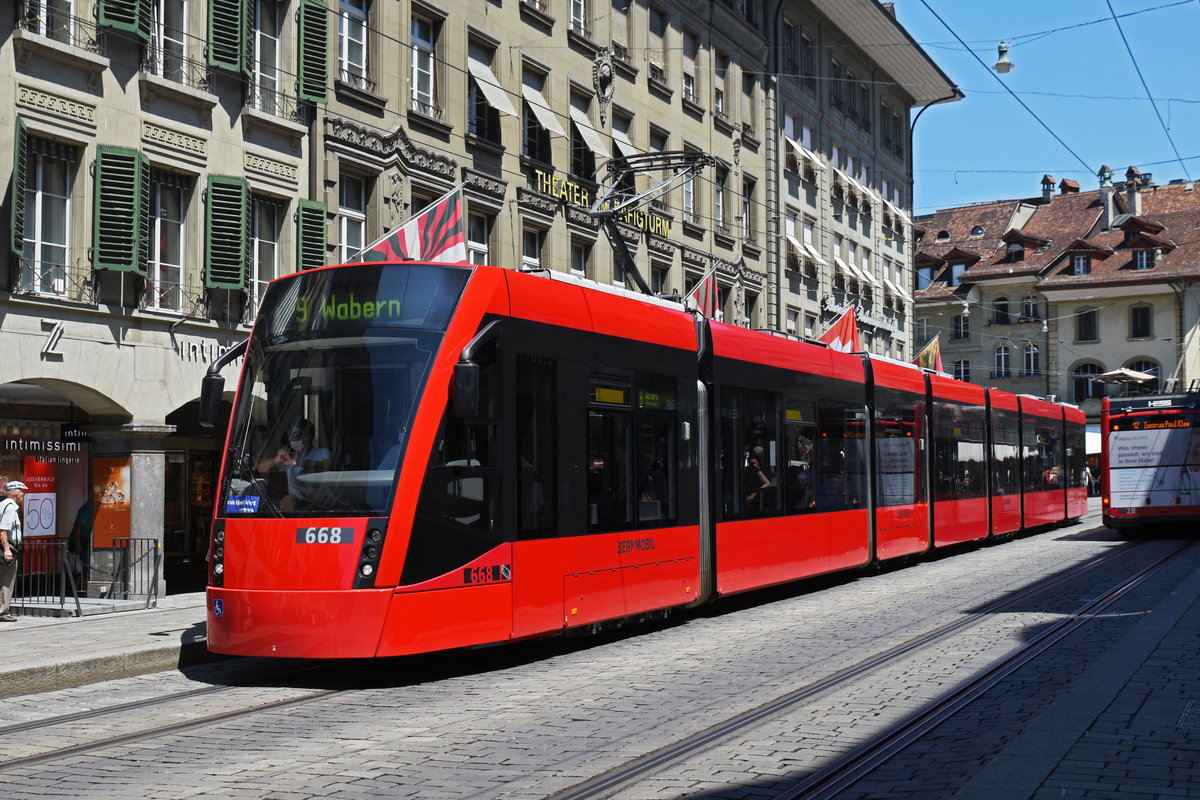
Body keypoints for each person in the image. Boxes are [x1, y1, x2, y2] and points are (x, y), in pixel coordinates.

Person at [258, 419, 331, 511]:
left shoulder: (321, 453)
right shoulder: (290, 456)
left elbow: (326, 466)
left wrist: (294, 462)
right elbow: (261, 468)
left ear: (308, 437)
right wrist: (277, 459)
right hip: (293, 507)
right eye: (290, 434)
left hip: (316, 504)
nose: (292, 438)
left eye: (296, 435)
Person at [0, 478, 28, 622]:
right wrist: (7, 550)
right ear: (16, 493)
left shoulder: (3, 504)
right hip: (7, 547)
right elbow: (3, 529)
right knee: (6, 581)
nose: (23, 495)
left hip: (5, 547)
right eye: (22, 492)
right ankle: (3, 612)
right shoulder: (10, 507)